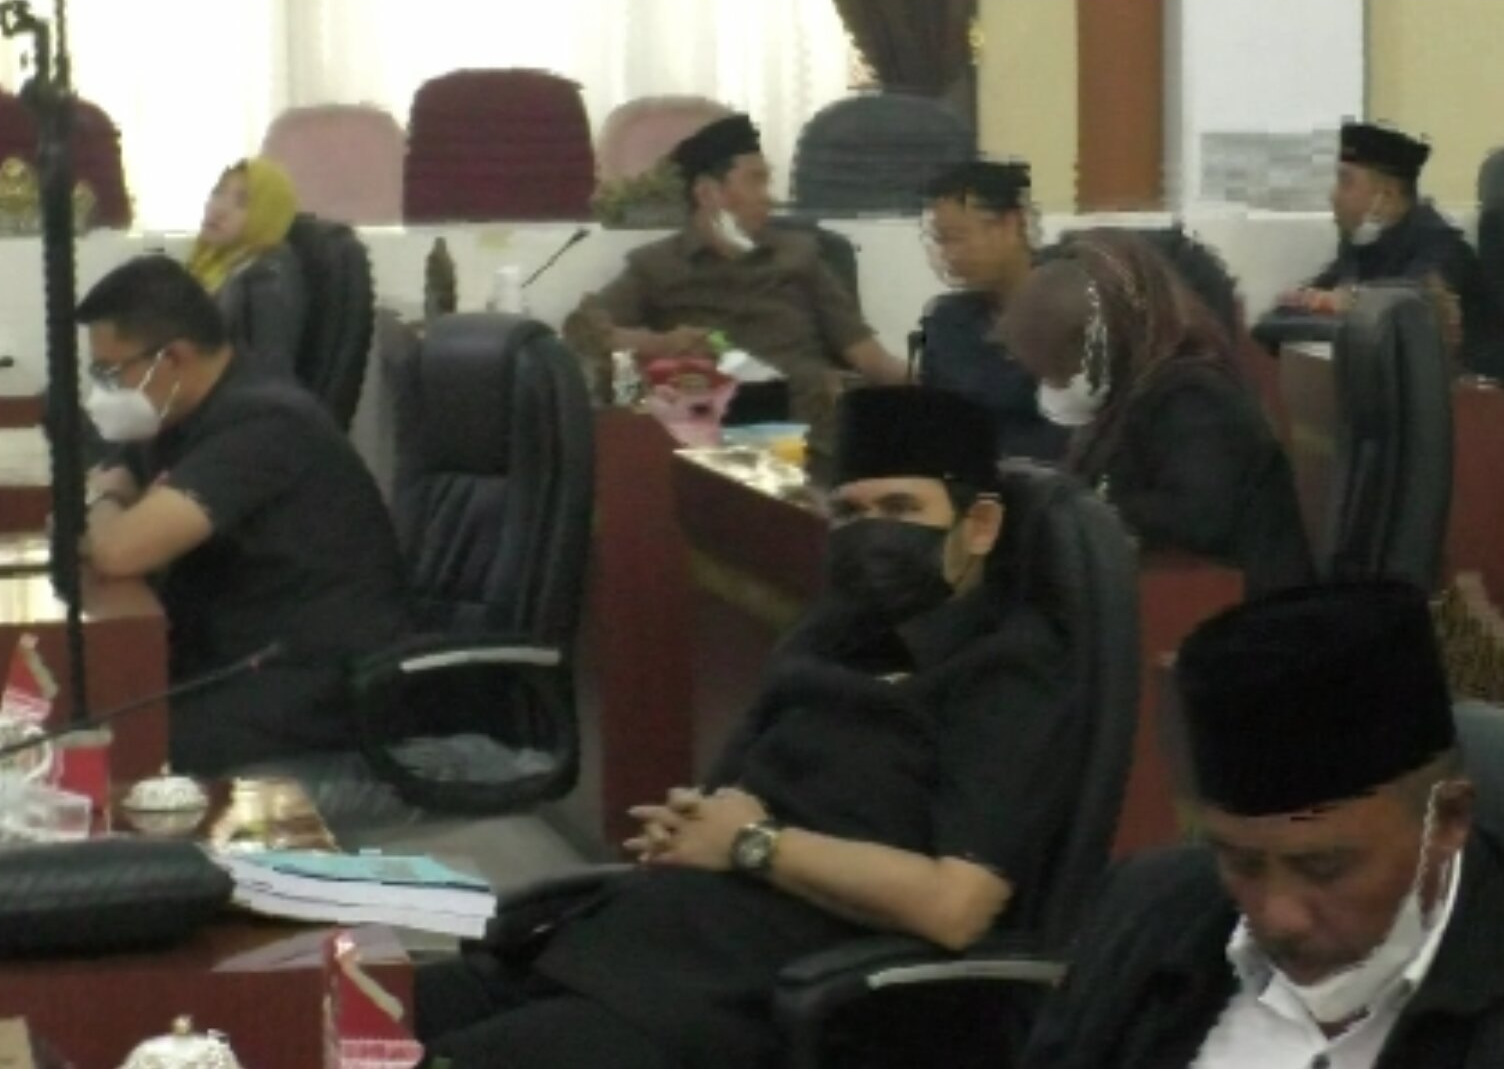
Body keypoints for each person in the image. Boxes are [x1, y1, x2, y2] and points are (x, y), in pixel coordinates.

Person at [414, 386, 1083, 1069]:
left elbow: (956, 905)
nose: (873, 534)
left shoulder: (1008, 677)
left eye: (901, 509)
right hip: (640, 946)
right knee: (361, 1011)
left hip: (757, 1003)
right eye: (851, 513)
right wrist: (694, 822)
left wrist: (752, 843)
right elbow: (731, 798)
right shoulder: (832, 637)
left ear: (980, 527)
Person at [1021, 580, 1504, 1069]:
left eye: (1323, 868)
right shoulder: (1148, 911)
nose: (1278, 915)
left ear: (1449, 820)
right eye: (1241, 862)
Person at [78, 255, 409, 775]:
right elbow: (109, 489)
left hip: (317, 687)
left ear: (173, 358)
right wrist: (110, 502)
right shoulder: (179, 414)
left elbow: (117, 550)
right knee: (88, 705)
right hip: (238, 662)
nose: (104, 390)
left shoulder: (265, 422)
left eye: (112, 372)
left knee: (121, 749)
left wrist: (104, 502)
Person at [994, 228, 1313, 596]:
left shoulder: (1194, 397)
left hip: (1234, 602)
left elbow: (1197, 517)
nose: (1053, 386)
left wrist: (1086, 508)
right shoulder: (1124, 393)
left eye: (1061, 369)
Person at [568, 113, 907, 439]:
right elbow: (582, 332)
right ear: (707, 193)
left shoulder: (800, 255)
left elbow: (870, 358)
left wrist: (930, 385)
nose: (768, 197)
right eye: (755, 180)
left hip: (807, 430)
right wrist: (661, 344)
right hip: (709, 435)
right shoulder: (658, 265)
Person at [914, 159, 1069, 462]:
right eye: (940, 241)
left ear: (1010, 225)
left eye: (957, 238)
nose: (949, 255)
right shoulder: (947, 321)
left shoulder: (1078, 309)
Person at [1277, 122, 1486, 345]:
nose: (1333, 195)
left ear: (1386, 195)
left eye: (1346, 183)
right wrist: (1320, 302)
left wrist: (1345, 306)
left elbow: (1399, 323)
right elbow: (1280, 319)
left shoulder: (1442, 250)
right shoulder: (1362, 243)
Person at [185, 157, 306, 378]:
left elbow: (268, 381)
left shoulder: (264, 284)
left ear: (265, 215)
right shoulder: (212, 264)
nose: (218, 209)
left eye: (241, 203)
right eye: (218, 192)